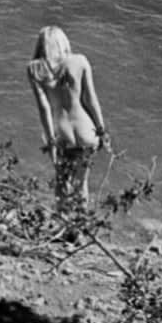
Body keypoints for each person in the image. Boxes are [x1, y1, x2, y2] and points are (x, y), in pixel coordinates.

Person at [26, 25, 109, 205]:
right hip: (88, 131)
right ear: (63, 42)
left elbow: (44, 109)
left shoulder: (35, 69)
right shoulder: (80, 61)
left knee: (62, 184)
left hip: (63, 134)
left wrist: (51, 143)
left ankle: (62, 224)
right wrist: (102, 131)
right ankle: (80, 226)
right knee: (82, 184)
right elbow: (91, 100)